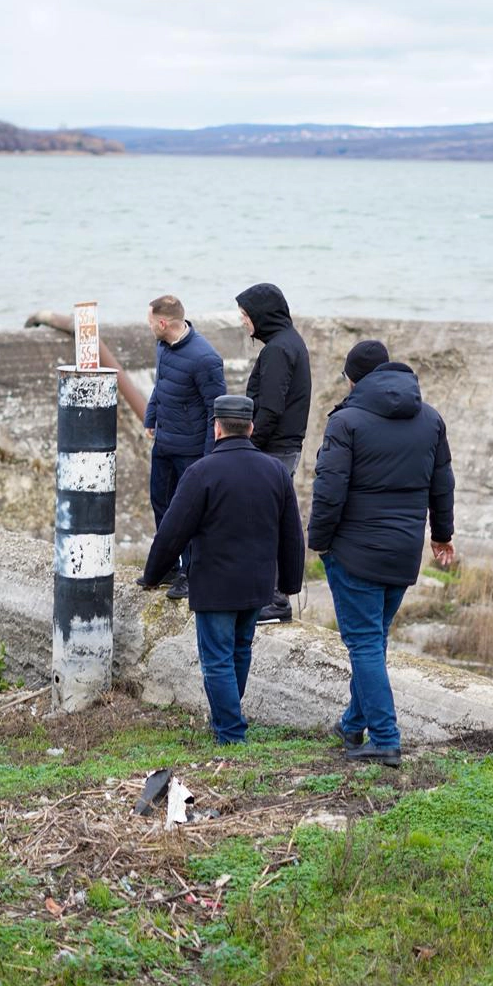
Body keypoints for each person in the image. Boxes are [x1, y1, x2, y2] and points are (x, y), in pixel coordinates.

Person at [308, 341, 455, 767]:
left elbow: (329, 490)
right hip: (403, 553)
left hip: (355, 553)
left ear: (355, 378)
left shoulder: (346, 422)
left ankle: (386, 737)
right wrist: (442, 535)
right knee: (373, 641)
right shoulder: (430, 420)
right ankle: (352, 723)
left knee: (365, 644)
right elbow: (442, 483)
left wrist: (319, 541)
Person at [138, 394, 304, 744]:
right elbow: (291, 534)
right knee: (240, 651)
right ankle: (226, 722)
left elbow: (172, 532)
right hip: (257, 584)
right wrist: (289, 582)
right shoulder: (275, 470)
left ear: (216, 428)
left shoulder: (202, 473)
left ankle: (230, 732)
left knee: (216, 661)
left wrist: (153, 574)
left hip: (215, 584)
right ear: (251, 428)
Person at [234, 282, 312, 623]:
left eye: (246, 315)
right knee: (273, 519)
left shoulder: (279, 350)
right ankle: (271, 595)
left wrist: (247, 446)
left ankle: (277, 600)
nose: (243, 322)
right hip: (281, 447)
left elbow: (271, 409)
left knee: (269, 522)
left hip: (274, 448)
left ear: (262, 316)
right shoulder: (287, 343)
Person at [143, 295, 226, 600]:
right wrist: (151, 417)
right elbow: (161, 386)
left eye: (150, 321)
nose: (149, 325)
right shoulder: (163, 347)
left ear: (163, 323)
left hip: (191, 451)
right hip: (164, 443)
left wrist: (208, 458)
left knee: (190, 514)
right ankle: (166, 567)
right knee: (160, 504)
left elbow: (214, 411)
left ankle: (190, 574)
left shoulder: (205, 358)